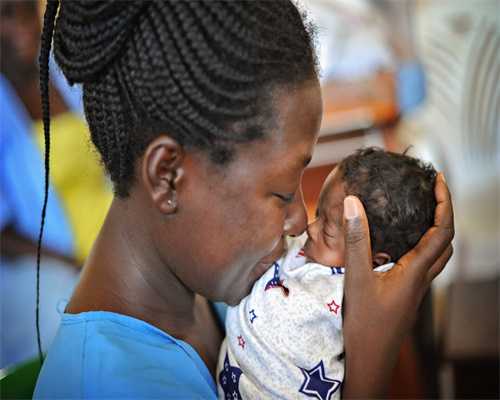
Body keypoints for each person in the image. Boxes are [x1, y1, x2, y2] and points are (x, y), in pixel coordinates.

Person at [33, 1, 454, 398]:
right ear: (168, 176)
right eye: (282, 194)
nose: (298, 221)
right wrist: (368, 372)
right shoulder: (108, 386)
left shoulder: (208, 283)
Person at [217, 147, 437, 399]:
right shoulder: (306, 250)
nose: (311, 229)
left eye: (327, 232)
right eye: (318, 214)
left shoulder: (357, 294)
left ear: (375, 261)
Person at [0, 0, 111, 368]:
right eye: (3, 15)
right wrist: (75, 264)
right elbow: (3, 234)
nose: (19, 24)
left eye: (24, 10)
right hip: (58, 263)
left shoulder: (63, 71)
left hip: (115, 234)